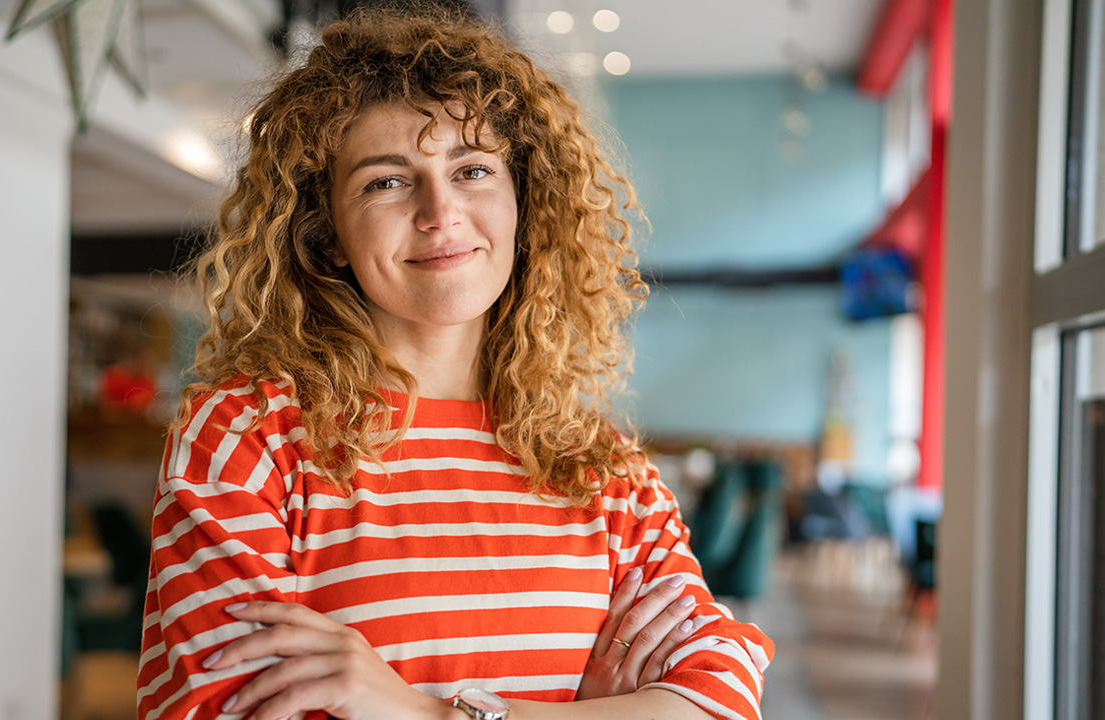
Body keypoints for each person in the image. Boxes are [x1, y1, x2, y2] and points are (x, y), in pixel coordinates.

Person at [136, 7, 773, 720]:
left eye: (471, 170)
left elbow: (723, 697)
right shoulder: (247, 440)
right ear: (330, 232)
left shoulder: (601, 468)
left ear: (523, 203)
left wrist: (424, 712)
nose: (441, 212)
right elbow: (229, 708)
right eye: (386, 181)